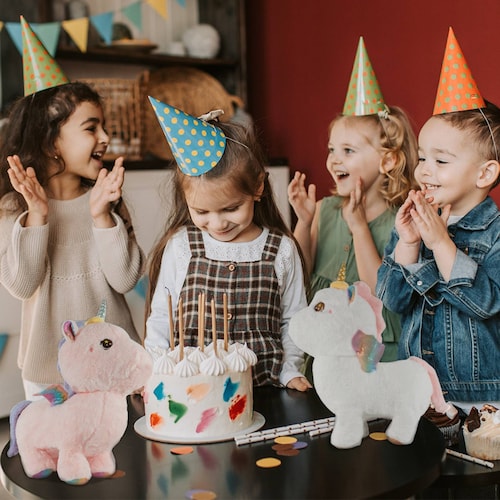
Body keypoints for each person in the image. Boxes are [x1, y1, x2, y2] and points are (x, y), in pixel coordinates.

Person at [144, 99, 311, 391]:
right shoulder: (182, 247)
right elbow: (162, 316)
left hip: (265, 390)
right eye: (202, 212)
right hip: (193, 392)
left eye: (231, 208)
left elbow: (294, 318)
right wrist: (155, 368)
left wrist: (290, 370)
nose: (218, 223)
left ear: (257, 187)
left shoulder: (282, 250)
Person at [376, 28, 500, 408]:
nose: (425, 171)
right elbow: (391, 301)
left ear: (484, 174)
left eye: (441, 161)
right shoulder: (418, 222)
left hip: (480, 398)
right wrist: (409, 245)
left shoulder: (494, 233)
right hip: (418, 392)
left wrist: (442, 245)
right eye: (423, 157)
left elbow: (486, 303)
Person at [0, 81, 144, 400]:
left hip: (118, 364)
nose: (105, 138)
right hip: (50, 375)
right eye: (92, 128)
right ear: (51, 142)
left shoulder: (107, 199)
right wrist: (37, 215)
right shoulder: (15, 207)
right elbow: (22, 285)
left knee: (124, 450)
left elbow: (125, 279)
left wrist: (102, 216)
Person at [288, 37, 418, 362]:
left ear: (387, 161)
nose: (334, 160)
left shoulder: (402, 221)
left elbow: (382, 295)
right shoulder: (324, 210)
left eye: (348, 151)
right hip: (323, 348)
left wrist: (360, 227)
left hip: (375, 354)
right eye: (332, 149)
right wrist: (304, 223)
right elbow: (295, 276)